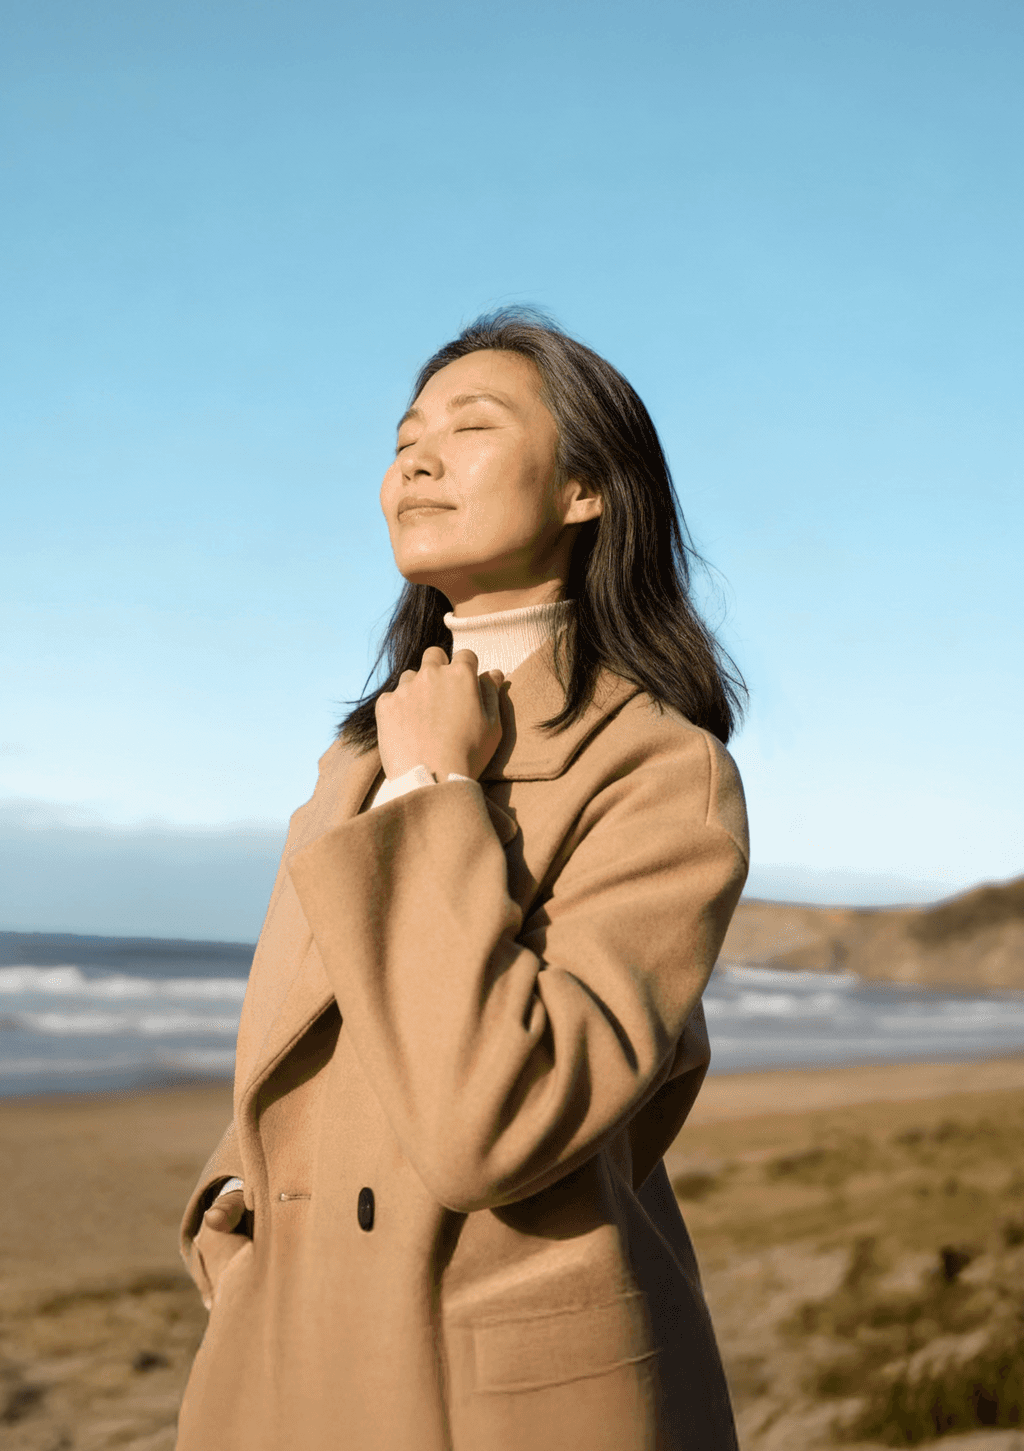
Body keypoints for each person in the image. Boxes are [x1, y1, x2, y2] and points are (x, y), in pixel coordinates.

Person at [176, 307, 749, 1451]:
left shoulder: (660, 772)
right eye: (404, 440)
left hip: (495, 1385)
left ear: (585, 489)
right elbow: (300, 1042)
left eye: (470, 428)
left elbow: (491, 1123)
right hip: (287, 1359)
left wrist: (436, 786)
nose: (417, 462)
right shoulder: (355, 760)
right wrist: (232, 1212)